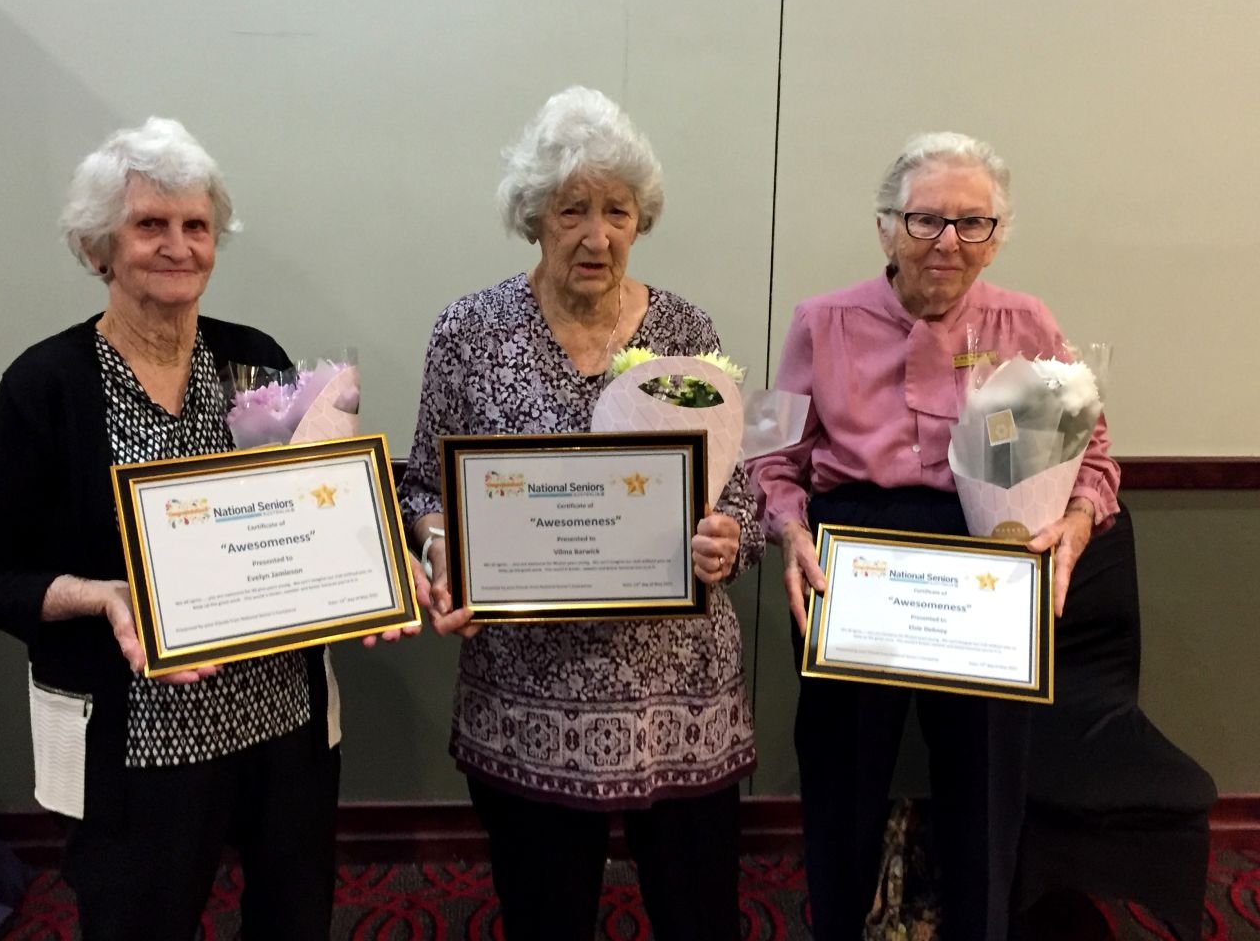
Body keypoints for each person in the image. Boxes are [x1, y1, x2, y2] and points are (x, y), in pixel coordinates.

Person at [0, 117, 419, 939]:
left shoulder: (255, 358)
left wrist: (382, 564)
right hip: (139, 744)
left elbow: (323, 507)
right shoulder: (46, 386)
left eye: (196, 225)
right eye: (150, 224)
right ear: (99, 247)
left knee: (293, 921)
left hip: (282, 728)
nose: (178, 246)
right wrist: (104, 596)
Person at [398, 86, 763, 941]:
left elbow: (738, 487)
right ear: (534, 218)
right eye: (572, 210)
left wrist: (728, 537)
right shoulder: (468, 331)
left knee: (699, 918)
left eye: (617, 211)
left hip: (678, 699)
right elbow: (425, 488)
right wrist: (443, 552)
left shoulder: (685, 330)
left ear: (640, 221)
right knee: (544, 917)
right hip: (527, 697)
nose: (597, 236)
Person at [747, 132, 1120, 941]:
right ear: (886, 228)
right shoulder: (819, 321)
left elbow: (1093, 456)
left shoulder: (1027, 322)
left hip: (988, 552)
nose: (949, 241)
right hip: (855, 556)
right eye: (926, 220)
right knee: (842, 782)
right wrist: (789, 529)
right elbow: (771, 457)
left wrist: (1077, 521)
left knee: (987, 787)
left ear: (997, 235)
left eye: (973, 222)